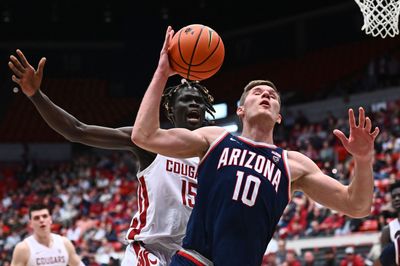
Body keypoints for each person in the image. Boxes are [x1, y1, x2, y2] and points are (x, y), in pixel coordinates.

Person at [131, 26, 380, 266]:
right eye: (257, 92)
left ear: (279, 116)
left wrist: (363, 159)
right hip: (193, 261)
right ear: (240, 109)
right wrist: (162, 73)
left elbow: (356, 206)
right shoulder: (214, 138)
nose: (266, 95)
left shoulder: (293, 164)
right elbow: (145, 136)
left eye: (272, 96)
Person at [8, 49, 215, 266]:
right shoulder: (150, 142)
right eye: (187, 100)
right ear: (171, 110)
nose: (194, 104)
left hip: (191, 255)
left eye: (199, 101)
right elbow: (77, 130)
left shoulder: (216, 155)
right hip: (148, 253)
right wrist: (36, 95)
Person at [10, 203, 83, 266]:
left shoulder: (64, 243)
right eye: (36, 218)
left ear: (50, 219)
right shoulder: (23, 248)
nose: (41, 220)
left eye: (44, 216)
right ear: (30, 224)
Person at [380, 181, 400, 250]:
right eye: (394, 197)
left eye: (399, 195)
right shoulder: (388, 230)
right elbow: (384, 260)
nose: (397, 199)